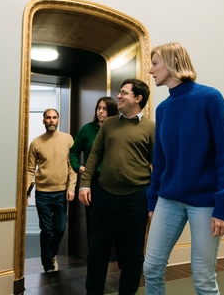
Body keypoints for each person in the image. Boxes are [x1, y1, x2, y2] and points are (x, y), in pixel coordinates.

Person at [143, 42, 224, 295]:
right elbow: (160, 161)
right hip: (168, 200)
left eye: (155, 63)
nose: (150, 70)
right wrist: (152, 201)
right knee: (151, 267)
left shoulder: (209, 98)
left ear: (173, 62)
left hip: (205, 204)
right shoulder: (162, 109)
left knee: (203, 277)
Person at [79, 79, 155, 295]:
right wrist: (85, 185)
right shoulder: (110, 124)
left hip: (137, 198)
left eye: (124, 93)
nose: (119, 96)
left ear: (138, 98)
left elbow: (158, 164)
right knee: (97, 251)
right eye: (119, 92)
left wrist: (154, 198)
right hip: (104, 196)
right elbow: (94, 157)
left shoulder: (150, 128)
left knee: (132, 255)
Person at [27, 108, 77, 273]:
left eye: (54, 117)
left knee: (60, 228)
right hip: (42, 194)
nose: (51, 120)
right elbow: (29, 170)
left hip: (62, 193)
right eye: (48, 118)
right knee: (46, 230)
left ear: (58, 120)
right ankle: (48, 265)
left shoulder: (68, 139)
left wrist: (71, 188)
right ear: (43, 121)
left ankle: (51, 254)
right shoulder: (36, 143)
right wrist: (25, 193)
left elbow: (72, 167)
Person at [69, 96, 118, 242]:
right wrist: (78, 167)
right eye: (99, 108)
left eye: (105, 109)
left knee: (114, 221)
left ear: (112, 111)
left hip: (114, 180)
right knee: (94, 219)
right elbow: (73, 152)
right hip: (93, 180)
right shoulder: (87, 129)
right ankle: (94, 258)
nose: (101, 112)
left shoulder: (117, 129)